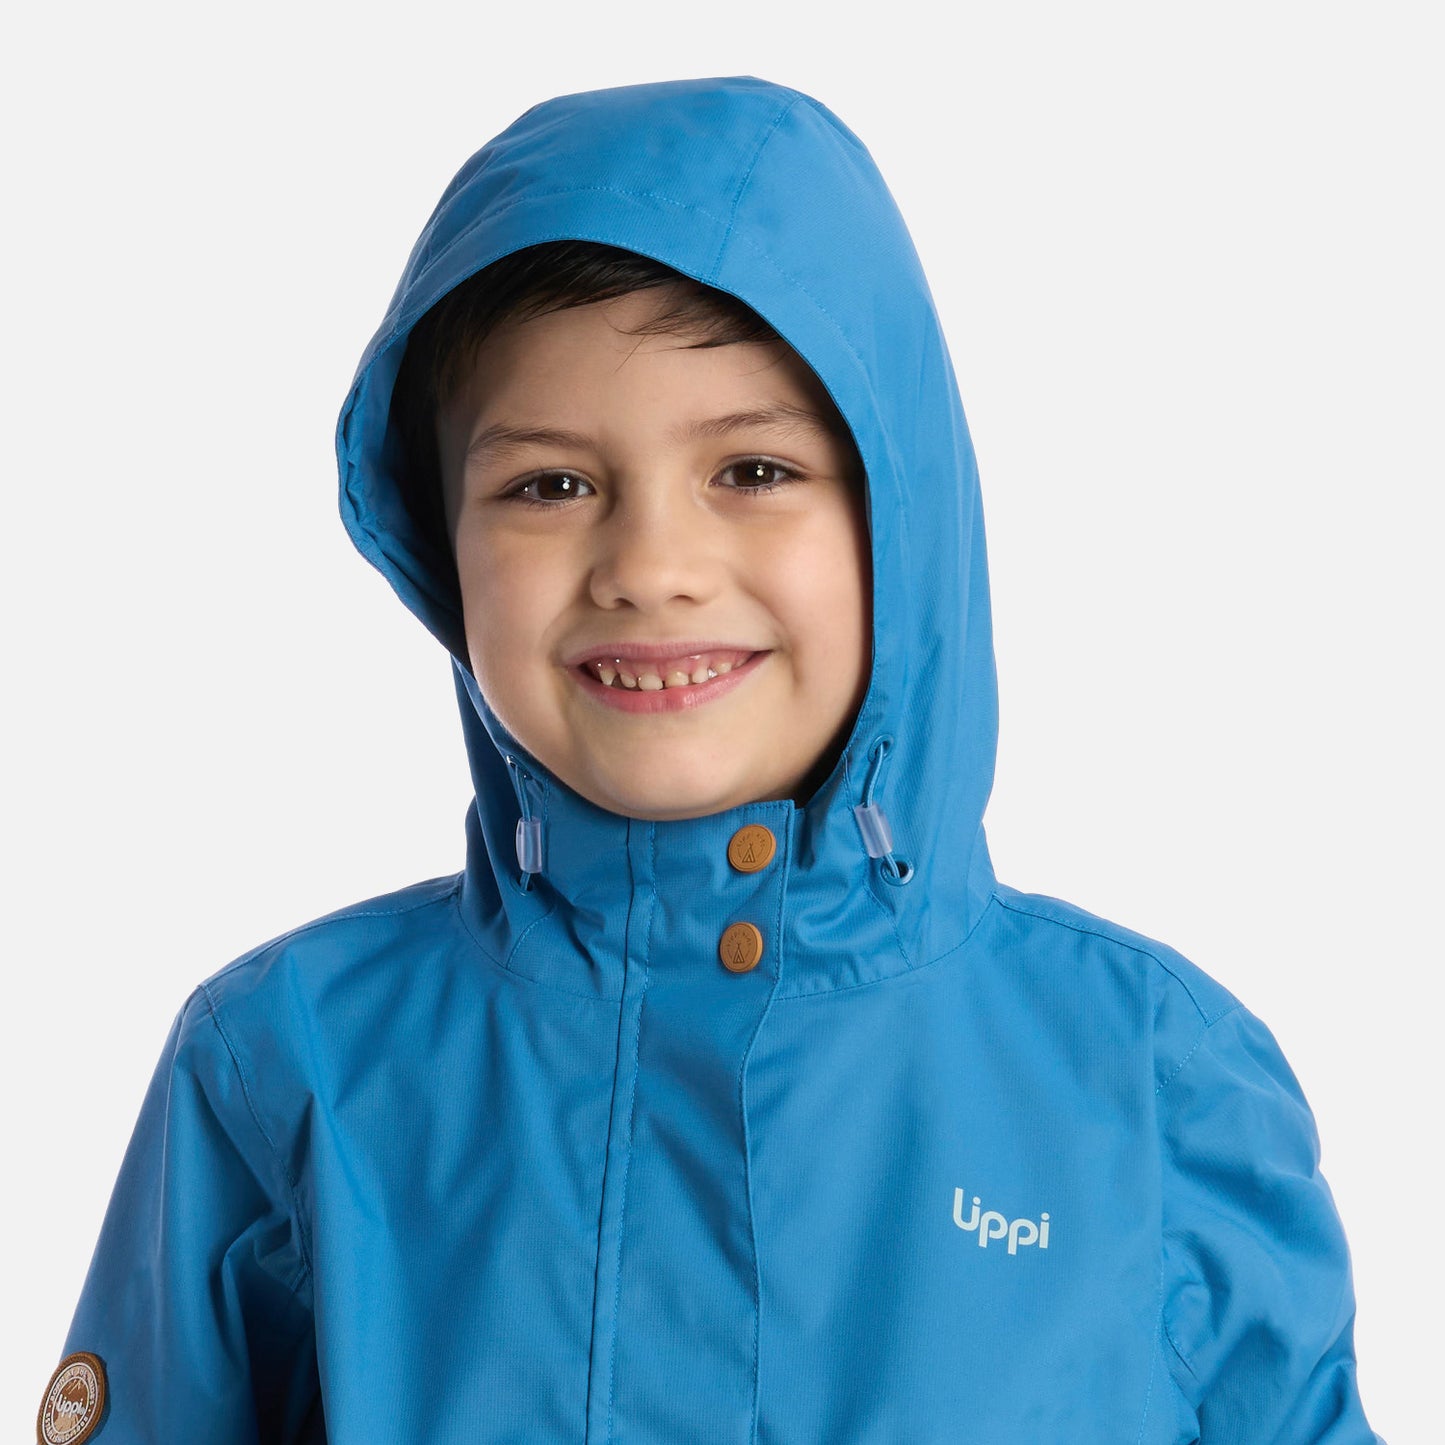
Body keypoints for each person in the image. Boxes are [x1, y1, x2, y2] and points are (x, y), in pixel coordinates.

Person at [40, 76, 1381, 1444]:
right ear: (439, 542)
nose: (651, 568)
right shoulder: (292, 1062)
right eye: (548, 485)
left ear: (901, 514)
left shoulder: (1146, 1076)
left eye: (753, 471)